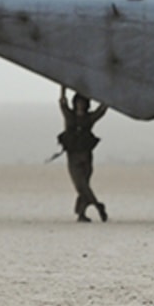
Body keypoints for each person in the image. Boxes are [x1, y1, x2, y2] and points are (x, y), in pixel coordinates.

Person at [57, 88, 109, 222]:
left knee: (84, 186)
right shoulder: (70, 116)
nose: (80, 105)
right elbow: (62, 103)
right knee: (81, 186)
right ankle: (98, 206)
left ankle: (82, 214)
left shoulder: (89, 118)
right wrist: (63, 88)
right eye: (78, 102)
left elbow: (102, 110)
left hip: (86, 156)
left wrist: (107, 93)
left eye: (82, 103)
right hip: (73, 157)